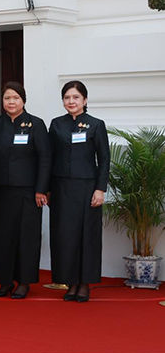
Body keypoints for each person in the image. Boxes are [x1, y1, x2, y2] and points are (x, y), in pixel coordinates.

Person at [0, 82, 51, 299]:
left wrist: (41, 189)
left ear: (23, 100)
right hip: (0, 192)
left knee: (26, 238)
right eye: (6, 98)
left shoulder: (36, 124)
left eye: (15, 97)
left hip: (28, 193)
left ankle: (24, 281)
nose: (11, 102)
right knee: (1, 238)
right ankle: (4, 281)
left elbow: (45, 159)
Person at [49, 80, 110, 303]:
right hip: (61, 188)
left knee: (86, 237)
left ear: (84, 100)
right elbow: (49, 158)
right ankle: (70, 281)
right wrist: (46, 189)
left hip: (87, 189)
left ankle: (84, 283)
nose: (71, 101)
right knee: (65, 236)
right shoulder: (56, 125)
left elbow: (104, 160)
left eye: (75, 97)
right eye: (67, 97)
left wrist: (100, 189)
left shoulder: (96, 124)